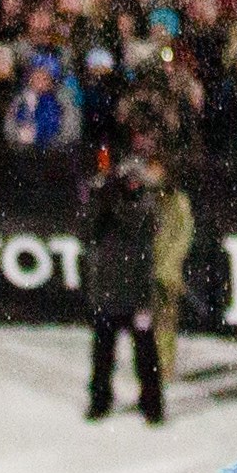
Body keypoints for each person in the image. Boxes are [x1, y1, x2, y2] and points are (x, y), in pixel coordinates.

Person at [80, 140, 171, 425]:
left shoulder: (145, 205)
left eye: (136, 180)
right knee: (103, 352)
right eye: (127, 179)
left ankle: (151, 403)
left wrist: (109, 199)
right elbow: (87, 231)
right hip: (109, 288)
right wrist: (100, 197)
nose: (131, 184)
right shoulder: (105, 203)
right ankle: (100, 399)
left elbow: (143, 225)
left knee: (145, 354)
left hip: (136, 291)